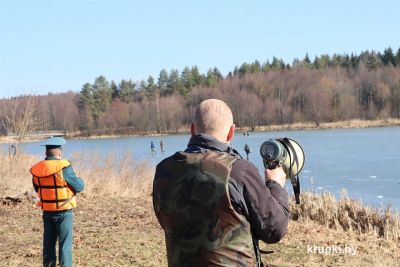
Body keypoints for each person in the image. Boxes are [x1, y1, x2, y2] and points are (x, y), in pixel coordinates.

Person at [153, 99, 289, 267]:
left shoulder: (163, 170)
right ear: (231, 132)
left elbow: (165, 220)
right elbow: (274, 230)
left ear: (192, 129)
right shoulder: (240, 171)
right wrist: (275, 185)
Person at [31, 137, 84, 267]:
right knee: (65, 245)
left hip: (47, 212)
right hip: (64, 212)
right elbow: (79, 187)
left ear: (46, 153)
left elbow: (38, 189)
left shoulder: (37, 169)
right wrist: (80, 179)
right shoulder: (64, 166)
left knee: (48, 245)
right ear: (59, 153)